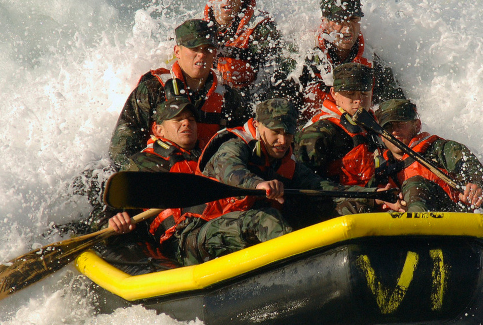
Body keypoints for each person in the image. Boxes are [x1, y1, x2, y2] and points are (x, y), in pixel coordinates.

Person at [128, 98, 400, 265]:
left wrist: (373, 195)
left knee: (341, 205)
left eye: (289, 134)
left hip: (235, 228)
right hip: (195, 235)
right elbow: (230, 170)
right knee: (265, 218)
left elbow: (324, 189)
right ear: (258, 128)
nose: (283, 141)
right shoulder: (234, 144)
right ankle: (304, 276)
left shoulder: (286, 160)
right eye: (275, 133)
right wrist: (257, 184)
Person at [109, 18, 248, 170]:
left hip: (204, 178)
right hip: (156, 174)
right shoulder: (152, 90)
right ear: (177, 51)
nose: (201, 55)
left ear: (214, 53)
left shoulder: (229, 98)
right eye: (194, 49)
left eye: (207, 49)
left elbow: (242, 146)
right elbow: (121, 149)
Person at [275, 0, 405, 122]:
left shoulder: (372, 62)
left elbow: (396, 110)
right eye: (339, 21)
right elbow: (277, 110)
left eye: (353, 19)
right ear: (324, 21)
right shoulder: (302, 57)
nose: (348, 28)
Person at [106, 99, 202, 242]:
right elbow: (110, 210)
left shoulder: (209, 157)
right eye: (177, 119)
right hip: (181, 239)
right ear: (158, 130)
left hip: (213, 222)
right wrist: (113, 221)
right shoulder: (140, 164)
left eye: (191, 120)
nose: (186, 123)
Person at [374, 98, 483, 212]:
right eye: (388, 127)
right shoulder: (379, 168)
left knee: (415, 184)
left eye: (400, 124)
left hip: (447, 215)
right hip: (399, 223)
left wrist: (477, 185)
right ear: (381, 136)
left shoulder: (439, 149)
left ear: (417, 126)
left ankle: (415, 225)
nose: (394, 131)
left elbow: (475, 171)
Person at [295, 63, 383, 198]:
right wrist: (370, 198)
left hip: (373, 199)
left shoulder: (376, 128)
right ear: (334, 94)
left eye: (364, 93)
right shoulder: (319, 132)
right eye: (350, 94)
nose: (358, 100)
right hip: (334, 205)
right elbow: (308, 185)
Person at [203, 0, 284, 98]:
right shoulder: (198, 28)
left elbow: (277, 78)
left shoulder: (261, 28)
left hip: (251, 101)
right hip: (211, 99)